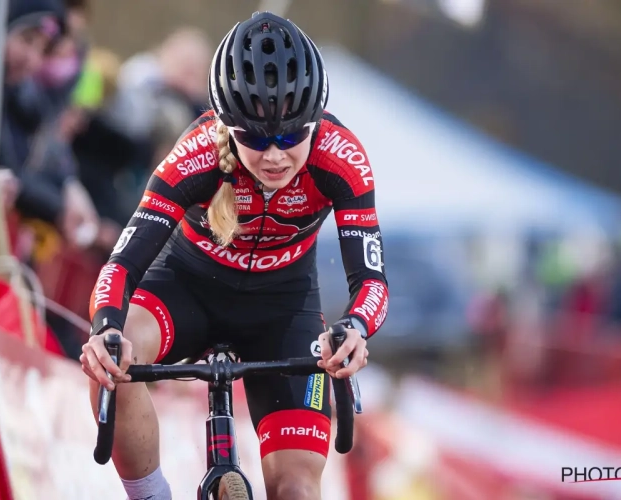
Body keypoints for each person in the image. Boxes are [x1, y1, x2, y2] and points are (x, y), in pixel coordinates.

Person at [80, 12, 389, 500]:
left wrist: (354, 329)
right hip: (185, 289)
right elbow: (120, 265)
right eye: (254, 138)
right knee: (115, 358)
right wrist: (105, 332)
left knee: (297, 489)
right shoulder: (196, 152)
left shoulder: (341, 157)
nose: (274, 156)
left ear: (317, 122)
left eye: (291, 137)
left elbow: (371, 280)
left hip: (283, 310)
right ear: (227, 127)